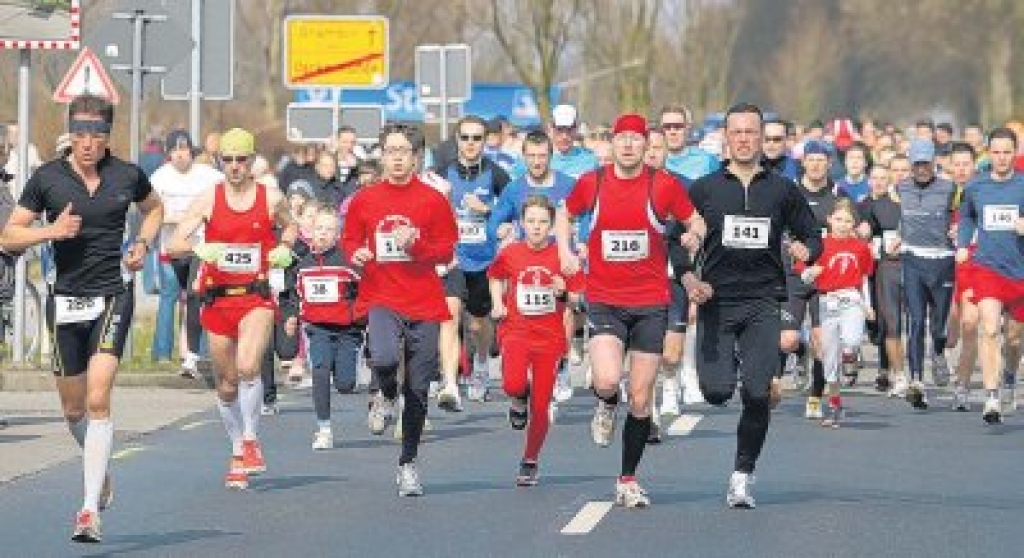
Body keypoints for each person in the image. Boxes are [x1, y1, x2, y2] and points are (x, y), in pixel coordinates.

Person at [0, 94, 164, 543]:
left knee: (97, 400)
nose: (87, 142)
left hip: (113, 295)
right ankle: (101, 472)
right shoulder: (47, 178)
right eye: (80, 133)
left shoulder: (127, 175)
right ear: (70, 133)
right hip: (64, 300)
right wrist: (51, 231)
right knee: (73, 409)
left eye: (96, 134)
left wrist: (142, 245)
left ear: (107, 136)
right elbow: (10, 235)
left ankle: (88, 510)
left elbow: (155, 209)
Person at [556, 113, 706, 508]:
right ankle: (605, 404)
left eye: (635, 139)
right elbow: (564, 214)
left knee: (640, 400)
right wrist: (565, 251)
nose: (627, 145)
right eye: (620, 138)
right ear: (612, 143)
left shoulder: (663, 185)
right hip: (605, 299)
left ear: (646, 144)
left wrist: (693, 234)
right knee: (607, 380)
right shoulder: (595, 182)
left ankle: (627, 478)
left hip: (651, 303)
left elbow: (697, 221)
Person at [683, 102, 822, 508]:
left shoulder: (782, 189)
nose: (744, 139)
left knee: (757, 394)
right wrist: (689, 265)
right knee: (715, 392)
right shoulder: (706, 188)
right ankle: (735, 372)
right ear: (726, 138)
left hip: (763, 302)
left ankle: (742, 474)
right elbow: (674, 238)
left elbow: (814, 237)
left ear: (763, 139)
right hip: (716, 303)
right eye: (737, 132)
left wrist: (805, 249)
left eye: (751, 132)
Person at [167, 128, 297, 491]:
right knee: (225, 386)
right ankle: (238, 450)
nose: (236, 166)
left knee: (248, 366)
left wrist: (284, 247)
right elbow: (176, 239)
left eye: (242, 159)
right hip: (218, 298)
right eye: (229, 159)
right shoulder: (209, 198)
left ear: (252, 161)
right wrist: (198, 249)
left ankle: (252, 439)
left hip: (255, 296)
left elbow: (291, 227)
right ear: (220, 161)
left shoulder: (270, 197)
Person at [342, 123, 457, 496]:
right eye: (389, 150)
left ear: (416, 156)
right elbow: (350, 238)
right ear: (381, 154)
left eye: (403, 151)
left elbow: (447, 251)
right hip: (381, 295)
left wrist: (418, 244)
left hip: (423, 300)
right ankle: (386, 393)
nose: (395, 157)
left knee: (420, 389)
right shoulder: (366, 199)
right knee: (386, 358)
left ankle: (408, 463)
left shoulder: (433, 200)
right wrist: (355, 252)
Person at [489, 195, 582, 486]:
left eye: (543, 222)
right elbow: (495, 276)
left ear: (553, 226)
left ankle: (530, 460)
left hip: (550, 338)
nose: (537, 227)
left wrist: (563, 292)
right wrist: (497, 303)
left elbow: (579, 299)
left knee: (541, 406)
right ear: (522, 223)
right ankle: (518, 399)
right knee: (513, 383)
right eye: (531, 221)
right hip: (516, 330)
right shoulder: (511, 252)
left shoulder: (563, 258)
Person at [487, 130, 578, 416]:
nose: (537, 162)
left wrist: (583, 242)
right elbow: (495, 220)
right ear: (523, 157)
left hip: (560, 257)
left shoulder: (568, 185)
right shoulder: (514, 189)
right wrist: (498, 229)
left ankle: (559, 366)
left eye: (542, 156)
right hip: (525, 262)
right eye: (532, 156)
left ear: (551, 157)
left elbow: (586, 215)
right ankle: (521, 391)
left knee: (565, 308)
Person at [434, 116, 510, 404]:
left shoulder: (496, 174)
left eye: (476, 138)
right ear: (457, 139)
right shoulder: (442, 174)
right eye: (465, 137)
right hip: (451, 261)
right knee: (449, 318)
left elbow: (514, 210)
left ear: (485, 141)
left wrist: (488, 210)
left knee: (478, 324)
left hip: (483, 261)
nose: (470, 144)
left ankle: (480, 363)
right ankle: (450, 380)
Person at [955, 127, 1024, 424]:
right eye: (996, 152)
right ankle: (992, 396)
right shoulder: (976, 186)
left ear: (1015, 153)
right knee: (990, 328)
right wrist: (962, 244)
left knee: (1014, 338)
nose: (1001, 158)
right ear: (988, 153)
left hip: (1019, 269)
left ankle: (1009, 376)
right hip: (986, 266)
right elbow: (968, 215)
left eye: (1007, 152)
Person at [284, 203, 363, 449]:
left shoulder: (348, 262)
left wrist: (361, 317)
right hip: (317, 328)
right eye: (319, 228)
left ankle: (357, 379)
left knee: (345, 385)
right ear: (310, 230)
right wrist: (291, 316)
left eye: (329, 229)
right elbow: (290, 294)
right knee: (319, 372)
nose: (323, 233)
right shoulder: (301, 263)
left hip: (347, 331)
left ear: (337, 234)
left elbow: (365, 291)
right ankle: (324, 428)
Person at [149, 130, 222, 375]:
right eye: (175, 150)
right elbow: (153, 212)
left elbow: (223, 197)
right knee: (169, 296)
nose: (180, 155)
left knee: (196, 295)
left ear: (192, 151)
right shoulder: (160, 177)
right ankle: (161, 353)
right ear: (168, 154)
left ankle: (197, 352)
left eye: (184, 149)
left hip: (200, 245)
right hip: (171, 246)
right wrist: (177, 218)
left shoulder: (208, 176)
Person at [797, 199, 874, 427]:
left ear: (854, 224)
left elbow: (864, 278)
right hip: (827, 301)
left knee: (851, 340)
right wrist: (811, 272)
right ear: (829, 220)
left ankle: (851, 354)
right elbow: (803, 273)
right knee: (829, 357)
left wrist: (868, 304)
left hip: (851, 299)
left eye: (848, 221)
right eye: (838, 219)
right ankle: (834, 403)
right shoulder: (819, 244)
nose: (842, 225)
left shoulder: (860, 247)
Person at [893, 139, 957, 408]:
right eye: (917, 163)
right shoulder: (900, 187)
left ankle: (939, 351)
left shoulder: (950, 188)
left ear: (934, 163)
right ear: (911, 164)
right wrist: (898, 235)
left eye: (925, 163)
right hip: (913, 259)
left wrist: (957, 231)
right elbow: (900, 218)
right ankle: (917, 381)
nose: (921, 168)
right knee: (916, 322)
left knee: (939, 324)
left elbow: (961, 217)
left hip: (942, 259)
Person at [857, 164, 904, 393]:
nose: (878, 182)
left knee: (887, 317)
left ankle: (885, 371)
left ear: (890, 180)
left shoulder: (895, 205)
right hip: (865, 268)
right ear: (868, 180)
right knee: (873, 321)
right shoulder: (861, 205)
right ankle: (874, 342)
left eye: (883, 178)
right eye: (874, 177)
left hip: (887, 265)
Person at [659, 105, 720, 181]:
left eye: (678, 126)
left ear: (687, 128)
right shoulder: (651, 160)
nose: (672, 132)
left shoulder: (707, 160)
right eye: (667, 127)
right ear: (660, 130)